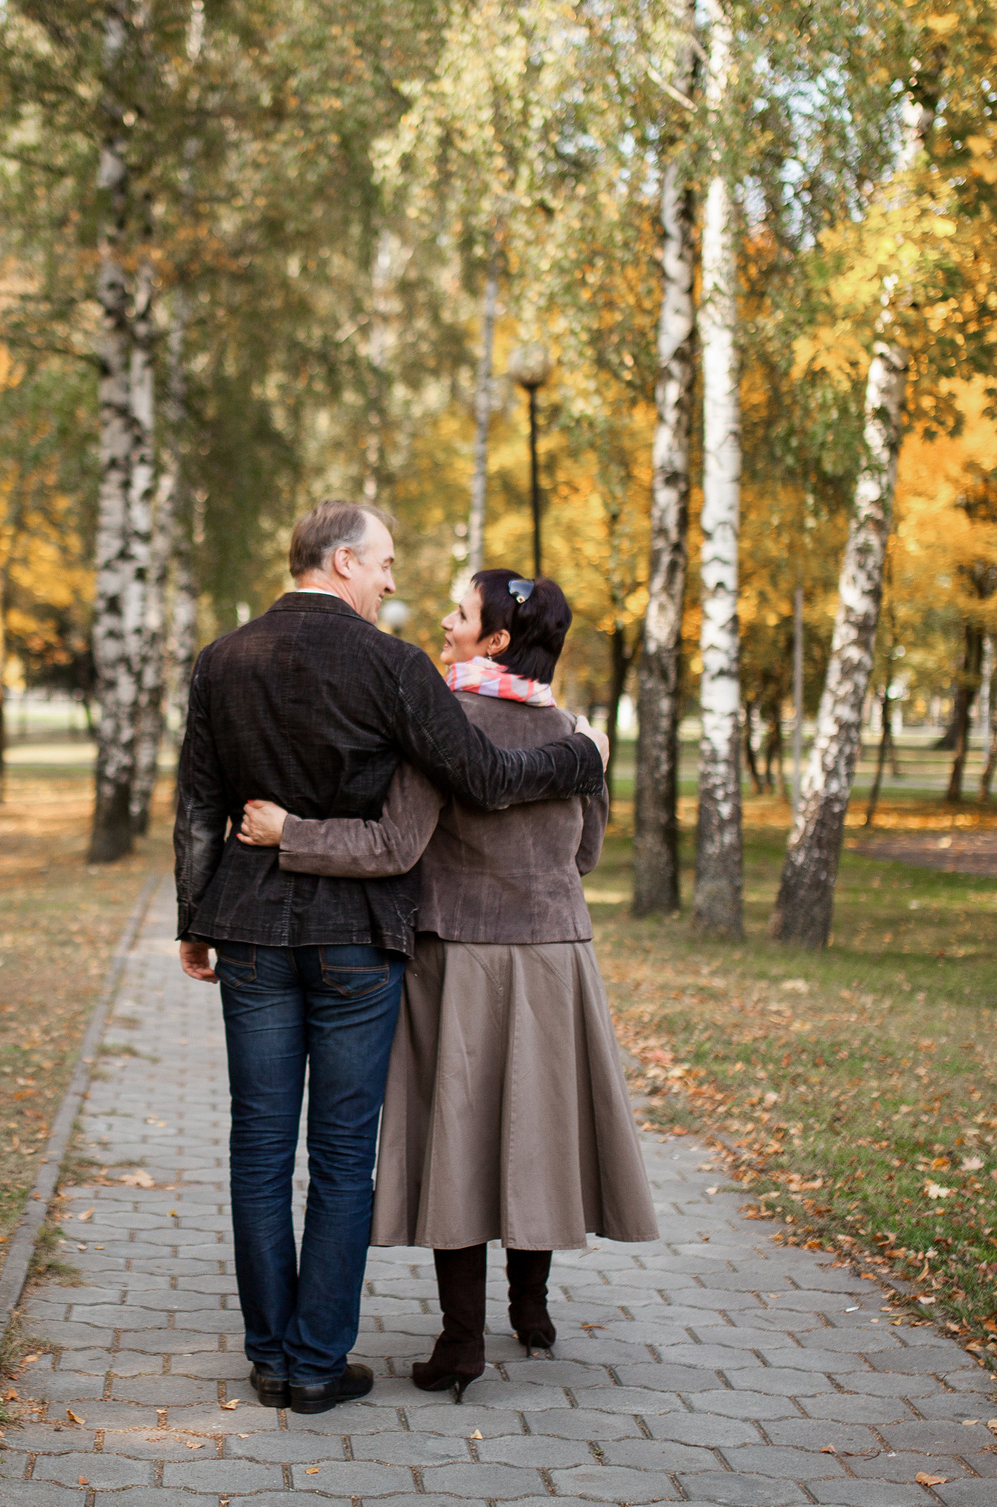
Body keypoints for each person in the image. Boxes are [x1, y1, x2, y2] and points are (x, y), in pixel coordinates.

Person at [174, 505, 611, 1416]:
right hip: (357, 939)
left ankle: (268, 1352)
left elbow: (199, 801)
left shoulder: (221, 660)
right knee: (341, 1155)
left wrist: (193, 917)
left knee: (258, 1146)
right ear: (341, 561)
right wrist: (583, 755)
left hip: (249, 927)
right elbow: (486, 780)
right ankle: (316, 1360)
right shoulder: (395, 666)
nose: (392, 582)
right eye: (383, 564)